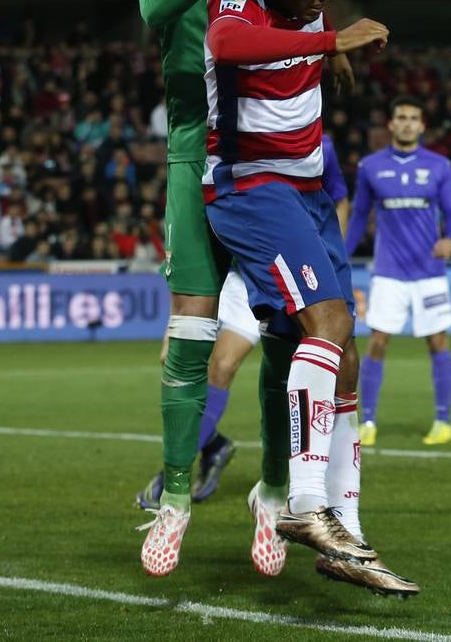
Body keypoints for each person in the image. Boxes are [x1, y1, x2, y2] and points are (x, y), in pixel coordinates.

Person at [129, 0, 428, 578]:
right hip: (208, 145)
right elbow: (157, 13)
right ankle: (175, 501)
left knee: (289, 333)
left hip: (280, 151)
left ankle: (272, 495)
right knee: (194, 328)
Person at [203, 0, 418, 596]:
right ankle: (301, 506)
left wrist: (324, 47)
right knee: (326, 325)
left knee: (344, 346)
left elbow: (308, 28)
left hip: (307, 193)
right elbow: (227, 42)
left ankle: (344, 534)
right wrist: (331, 40)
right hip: (250, 186)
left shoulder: (303, 11)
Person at [135, 134, 350, 509]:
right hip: (232, 274)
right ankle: (210, 449)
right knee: (211, 365)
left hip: (274, 269)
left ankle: (284, 483)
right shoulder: (215, 139)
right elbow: (189, 230)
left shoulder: (317, 143)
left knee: (255, 368)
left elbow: (336, 202)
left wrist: (328, 260)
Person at [345, 95, 451, 447]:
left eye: (414, 117)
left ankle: (443, 421)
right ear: (392, 124)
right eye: (402, 117)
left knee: (438, 342)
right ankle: (368, 422)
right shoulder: (370, 167)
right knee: (377, 343)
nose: (408, 123)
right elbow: (358, 216)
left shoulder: (440, 166)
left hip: (429, 272)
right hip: (388, 272)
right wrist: (342, 256)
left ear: (422, 125)